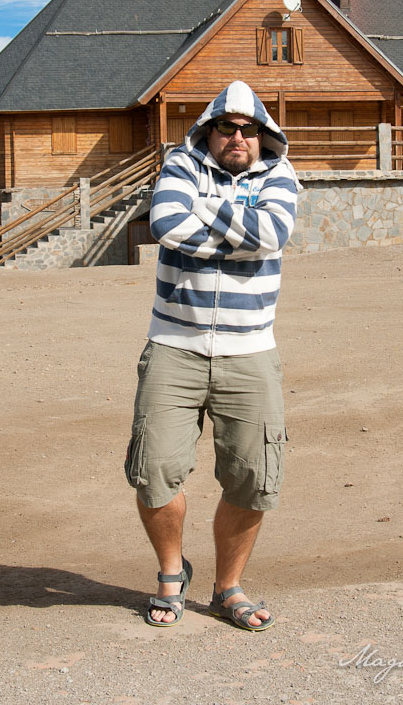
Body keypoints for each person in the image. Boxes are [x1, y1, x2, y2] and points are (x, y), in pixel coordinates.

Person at [124, 80, 300, 630]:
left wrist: (208, 211)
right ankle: (172, 575)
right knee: (155, 473)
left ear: (263, 135)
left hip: (251, 353)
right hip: (174, 347)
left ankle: (228, 588)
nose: (239, 138)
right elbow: (165, 225)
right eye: (228, 127)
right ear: (210, 130)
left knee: (254, 479)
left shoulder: (281, 175)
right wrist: (237, 228)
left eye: (250, 129)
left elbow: (273, 233)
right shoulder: (180, 163)